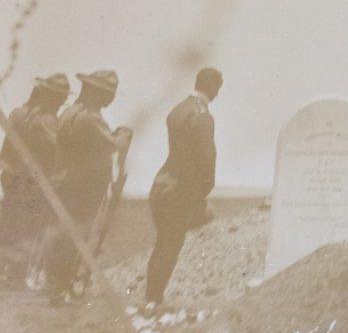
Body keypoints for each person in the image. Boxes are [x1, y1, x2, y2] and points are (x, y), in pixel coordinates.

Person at [42, 70, 131, 305]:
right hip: (82, 189)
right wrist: (124, 132)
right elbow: (113, 144)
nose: (110, 99)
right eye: (108, 94)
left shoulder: (69, 113)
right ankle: (62, 289)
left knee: (63, 237)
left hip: (63, 182)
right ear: (96, 92)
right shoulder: (91, 118)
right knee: (75, 238)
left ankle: (56, 287)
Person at [144, 68, 223, 310]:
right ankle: (153, 301)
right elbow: (207, 158)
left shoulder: (177, 110)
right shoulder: (202, 116)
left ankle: (151, 298)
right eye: (218, 88)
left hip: (162, 182)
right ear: (211, 87)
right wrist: (204, 189)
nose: (218, 93)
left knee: (163, 243)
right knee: (171, 244)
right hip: (181, 190)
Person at [0, 74, 70, 277]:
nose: (60, 104)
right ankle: (16, 273)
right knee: (28, 226)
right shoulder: (48, 122)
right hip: (35, 182)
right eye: (59, 99)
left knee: (9, 221)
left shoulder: (17, 114)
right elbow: (58, 153)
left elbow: (6, 150)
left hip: (11, 177)